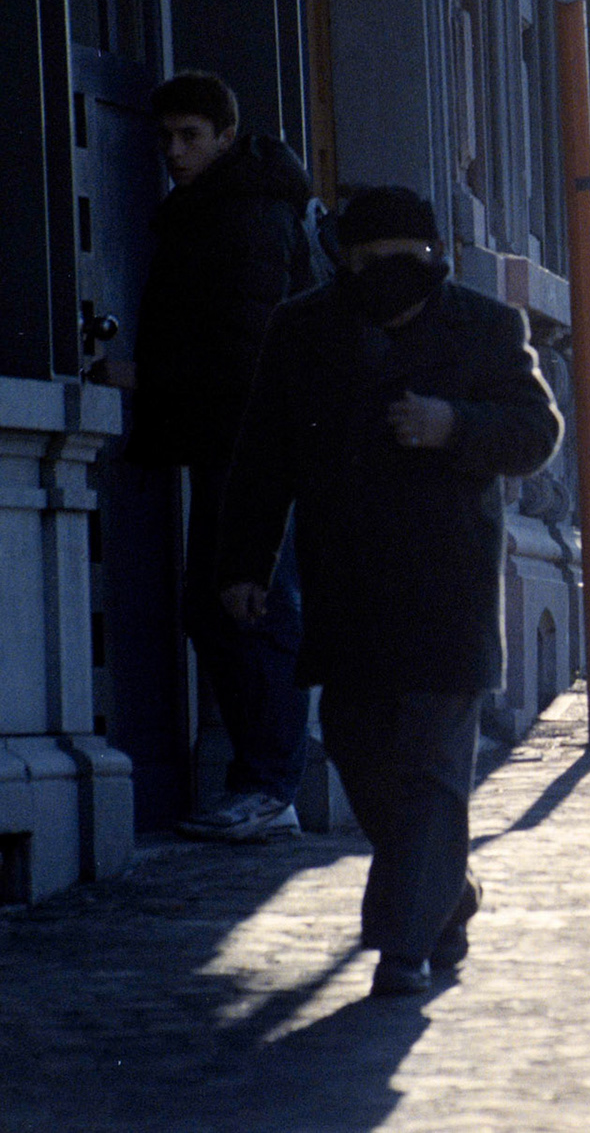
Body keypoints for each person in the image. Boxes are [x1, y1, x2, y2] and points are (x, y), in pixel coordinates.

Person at [216, 187, 563, 996]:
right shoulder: (302, 329)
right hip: (346, 591)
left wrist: (454, 425)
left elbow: (537, 432)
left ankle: (401, 950)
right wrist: (242, 565)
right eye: (362, 263)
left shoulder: (484, 325)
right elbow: (262, 457)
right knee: (363, 756)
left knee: (434, 770)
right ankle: (448, 895)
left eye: (396, 264)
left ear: (432, 261)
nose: (377, 278)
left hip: (447, 592)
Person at [124, 70, 315, 842]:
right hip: (227, 437)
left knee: (250, 604)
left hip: (251, 443)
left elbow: (248, 351)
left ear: (226, 137)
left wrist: (144, 375)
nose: (174, 152)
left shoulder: (247, 217)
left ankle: (270, 786)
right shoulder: (213, 210)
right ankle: (264, 781)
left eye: (189, 137)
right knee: (219, 605)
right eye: (166, 137)